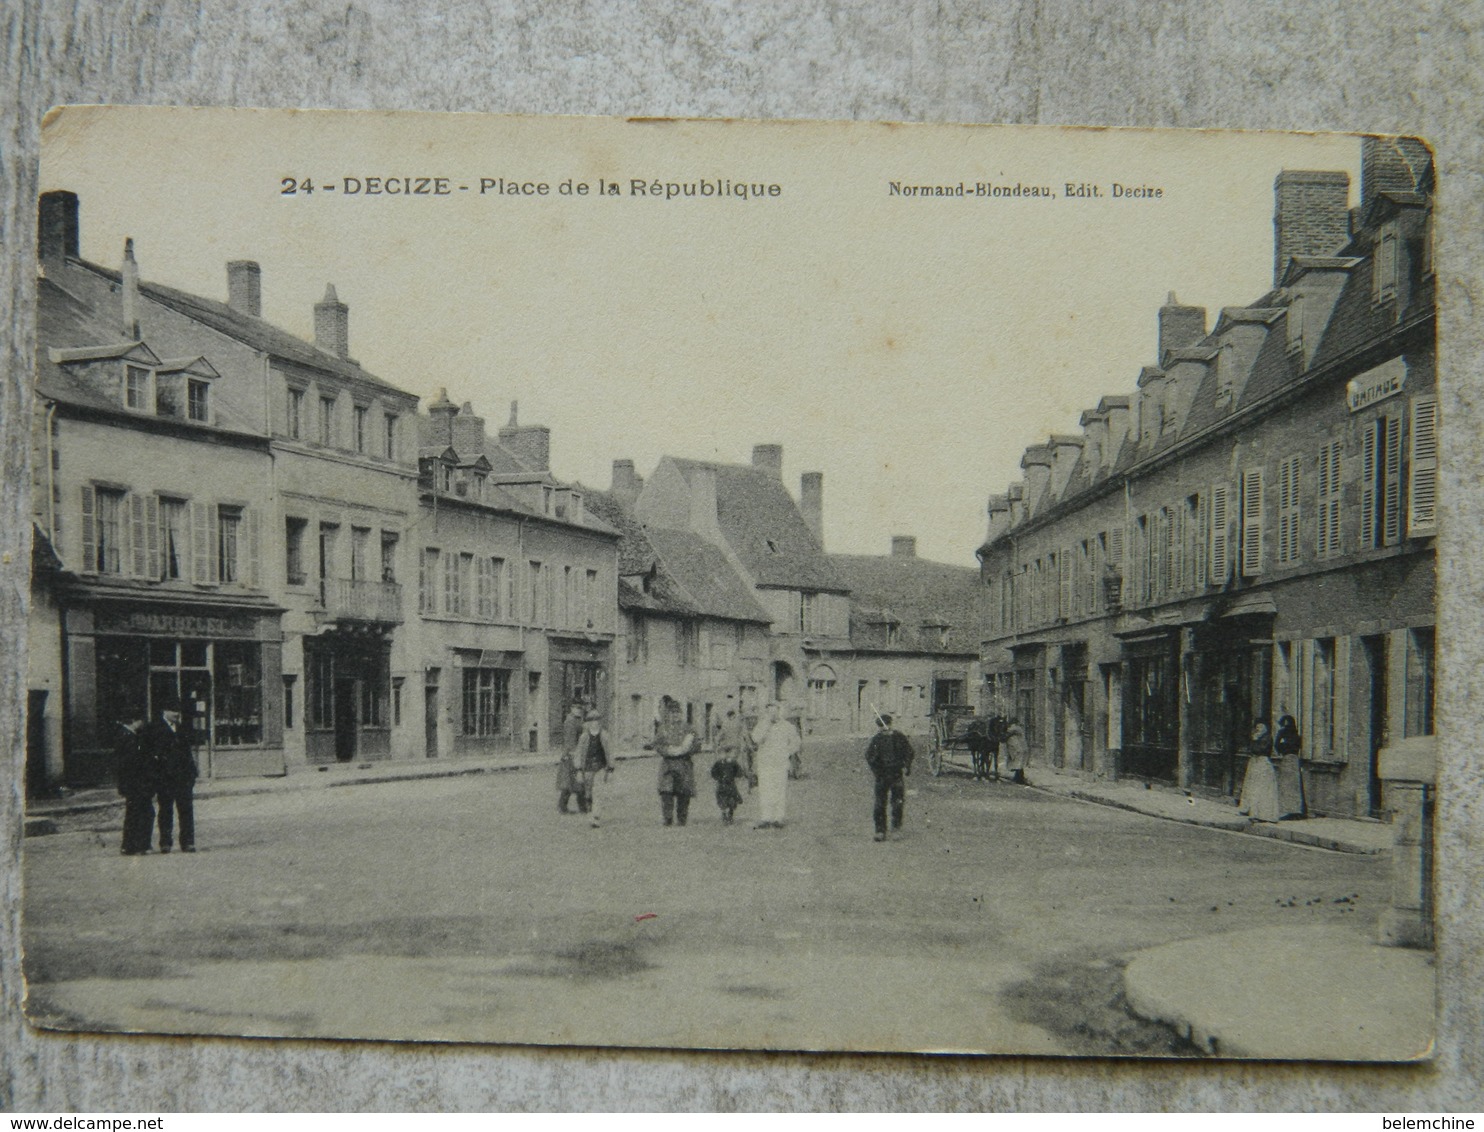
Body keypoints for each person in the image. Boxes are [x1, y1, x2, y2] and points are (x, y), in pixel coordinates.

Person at [149, 701, 198, 853]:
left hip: (183, 778)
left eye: (178, 711)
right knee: (165, 811)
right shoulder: (155, 729)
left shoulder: (182, 729)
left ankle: (187, 842)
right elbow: (151, 755)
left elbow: (188, 754)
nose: (177, 714)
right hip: (165, 779)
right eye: (173, 710)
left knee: (186, 811)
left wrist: (191, 775)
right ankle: (165, 842)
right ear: (164, 711)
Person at [864, 712, 915, 841]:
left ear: (891, 724)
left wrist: (906, 766)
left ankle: (896, 829)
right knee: (880, 804)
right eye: (881, 726)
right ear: (878, 727)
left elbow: (909, 752)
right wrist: (876, 771)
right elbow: (869, 756)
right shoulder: (876, 739)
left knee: (897, 803)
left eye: (886, 725)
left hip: (896, 774)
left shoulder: (899, 737)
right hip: (882, 776)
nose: (884, 728)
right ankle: (880, 831)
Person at [751, 701, 799, 829]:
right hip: (765, 763)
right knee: (765, 789)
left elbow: (795, 743)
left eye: (775, 710)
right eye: (769, 711)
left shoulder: (787, 726)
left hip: (780, 763)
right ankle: (766, 817)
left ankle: (778, 818)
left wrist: (786, 753)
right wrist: (766, 726)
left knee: (779, 789)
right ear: (767, 712)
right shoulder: (762, 725)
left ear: (779, 711)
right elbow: (755, 738)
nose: (772, 714)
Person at [114, 712, 154, 855]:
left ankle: (131, 845)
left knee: (135, 814)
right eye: (141, 721)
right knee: (141, 814)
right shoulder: (128, 737)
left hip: (134, 784)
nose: (142, 724)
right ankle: (138, 845)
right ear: (134, 721)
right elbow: (127, 764)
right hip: (136, 784)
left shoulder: (128, 735)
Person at [654, 701, 699, 826]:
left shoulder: (688, 728)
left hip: (684, 764)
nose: (675, 715)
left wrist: (686, 749)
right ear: (668, 714)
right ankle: (667, 818)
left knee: (683, 793)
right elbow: (657, 744)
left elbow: (697, 745)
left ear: (681, 714)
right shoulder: (663, 728)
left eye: (677, 713)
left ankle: (682, 818)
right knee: (666, 792)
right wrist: (667, 750)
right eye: (672, 713)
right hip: (668, 764)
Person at [573, 708, 614, 828]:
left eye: (596, 721)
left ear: (599, 722)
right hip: (587, 768)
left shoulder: (605, 736)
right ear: (588, 723)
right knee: (588, 793)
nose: (594, 723)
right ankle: (591, 812)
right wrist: (579, 770)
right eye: (591, 721)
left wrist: (611, 769)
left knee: (598, 792)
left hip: (600, 767)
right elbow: (579, 753)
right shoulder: (584, 737)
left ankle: (596, 816)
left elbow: (610, 752)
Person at [1238, 719, 1281, 822]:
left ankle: (1264, 814)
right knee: (1252, 787)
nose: (1258, 729)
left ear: (1265, 728)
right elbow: (1251, 749)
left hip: (1262, 764)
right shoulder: (1256, 737)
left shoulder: (1267, 738)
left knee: (1262, 788)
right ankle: (1251, 810)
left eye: (1261, 727)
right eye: (1257, 727)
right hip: (1254, 763)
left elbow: (1261, 750)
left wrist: (1255, 741)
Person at [1272, 714, 1307, 820]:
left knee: (1289, 785)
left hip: (1289, 759)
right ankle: (1295, 810)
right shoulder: (1294, 734)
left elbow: (1277, 745)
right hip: (1292, 760)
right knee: (1293, 785)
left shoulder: (1283, 733)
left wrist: (1283, 749)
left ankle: (1290, 810)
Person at [557, 702, 585, 814]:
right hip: (571, 754)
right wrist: (573, 753)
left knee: (575, 782)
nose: (579, 709)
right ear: (571, 708)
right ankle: (564, 807)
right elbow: (570, 740)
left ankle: (581, 807)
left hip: (576, 753)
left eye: (580, 707)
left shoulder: (578, 720)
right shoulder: (570, 721)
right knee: (571, 782)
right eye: (576, 707)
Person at [710, 748, 745, 824]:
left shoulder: (733, 763)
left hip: (731, 785)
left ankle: (730, 815)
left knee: (732, 801)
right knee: (723, 801)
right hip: (721, 785)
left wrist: (738, 776)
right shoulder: (718, 764)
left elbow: (739, 772)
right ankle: (724, 814)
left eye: (724, 754)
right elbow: (713, 773)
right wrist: (718, 778)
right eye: (720, 754)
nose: (723, 756)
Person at [1003, 718, 1029, 785]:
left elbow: (1006, 733)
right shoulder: (1018, 728)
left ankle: (1018, 778)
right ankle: (1019, 777)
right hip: (1019, 748)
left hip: (1018, 748)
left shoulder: (1015, 728)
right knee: (1019, 763)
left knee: (1018, 763)